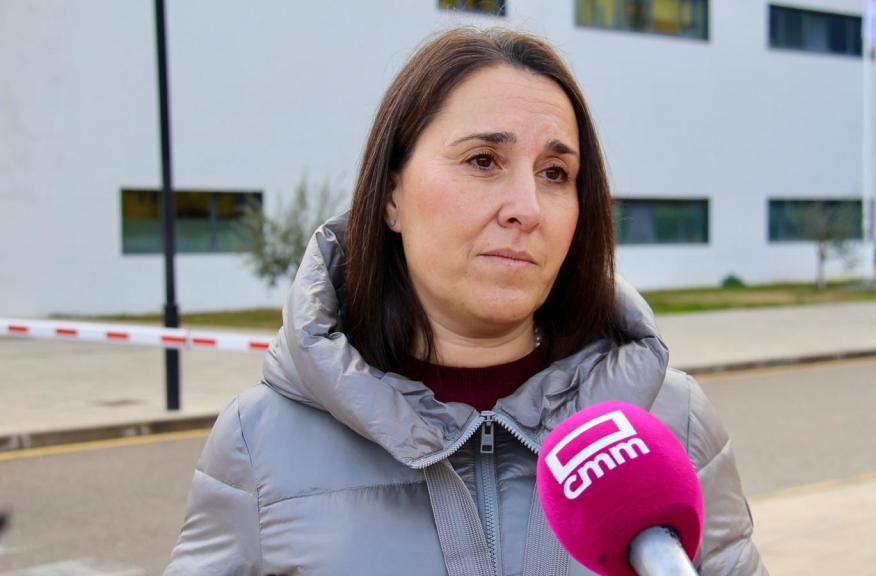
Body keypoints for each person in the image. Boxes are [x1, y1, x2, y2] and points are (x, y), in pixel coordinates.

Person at [165, 28, 766, 575]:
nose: (526, 208)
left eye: (556, 173)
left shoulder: (674, 423)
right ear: (391, 195)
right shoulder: (259, 441)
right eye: (483, 161)